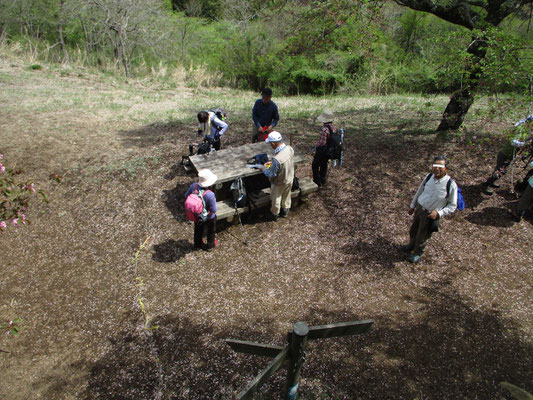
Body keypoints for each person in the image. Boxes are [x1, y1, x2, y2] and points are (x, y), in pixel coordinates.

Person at [401, 156, 458, 263]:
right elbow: (420, 190)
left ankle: (418, 252)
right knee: (413, 230)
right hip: (419, 209)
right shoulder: (429, 177)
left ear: (446, 168)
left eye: (440, 166)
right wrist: (413, 205)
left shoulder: (451, 184)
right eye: (435, 165)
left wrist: (439, 213)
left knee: (423, 235)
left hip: (430, 215)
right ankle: (411, 245)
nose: (437, 169)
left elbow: (452, 205)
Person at [481, 114, 533, 195]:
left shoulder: (525, 129)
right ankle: (485, 185)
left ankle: (491, 182)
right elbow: (514, 142)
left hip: (508, 155)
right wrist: (525, 142)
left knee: (500, 171)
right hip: (505, 154)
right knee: (500, 171)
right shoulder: (520, 129)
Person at [259, 131, 294, 221]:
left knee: (276, 199)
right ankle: (285, 211)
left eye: (270, 143)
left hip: (279, 182)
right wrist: (273, 162)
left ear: (273, 143)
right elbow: (285, 160)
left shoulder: (277, 159)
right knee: (286, 195)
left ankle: (275, 215)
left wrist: (263, 169)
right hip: (289, 178)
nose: (270, 145)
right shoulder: (289, 149)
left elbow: (271, 174)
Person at [185, 169, 218, 251]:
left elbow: (186, 195)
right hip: (209, 216)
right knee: (211, 230)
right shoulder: (210, 194)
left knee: (198, 230)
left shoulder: (193, 186)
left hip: (197, 215)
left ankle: (197, 245)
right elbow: (214, 209)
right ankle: (210, 245)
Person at [312, 109, 336, 187]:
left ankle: (317, 181)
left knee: (315, 165)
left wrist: (316, 145)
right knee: (324, 164)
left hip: (323, 150)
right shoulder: (333, 128)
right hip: (330, 150)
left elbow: (322, 143)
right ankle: (323, 179)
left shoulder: (324, 129)